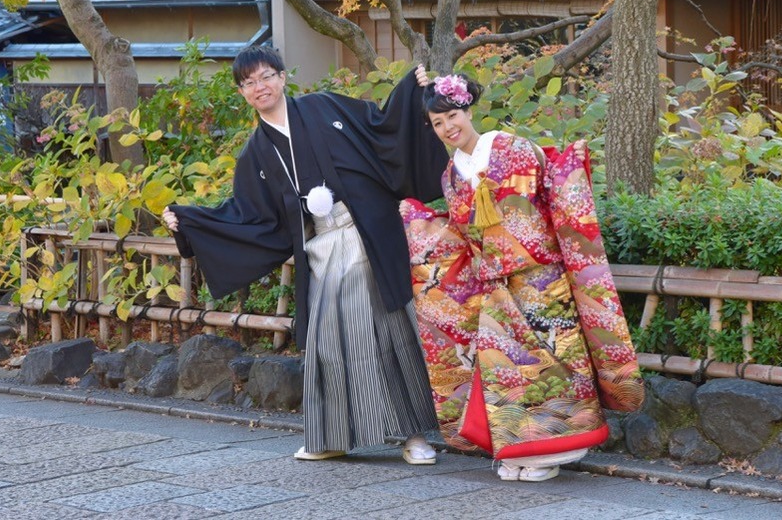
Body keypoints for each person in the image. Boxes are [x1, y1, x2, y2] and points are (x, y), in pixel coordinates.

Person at [162, 45, 449, 465]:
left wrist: (412, 90)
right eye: (249, 83)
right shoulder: (256, 151)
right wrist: (190, 222)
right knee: (326, 346)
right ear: (241, 93)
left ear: (282, 77)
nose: (259, 87)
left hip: (366, 233)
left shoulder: (323, 106)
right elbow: (246, 214)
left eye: (266, 77)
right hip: (321, 248)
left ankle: (413, 435)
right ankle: (332, 435)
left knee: (389, 335)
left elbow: (381, 127)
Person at [401, 73, 644, 482]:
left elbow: (551, 197)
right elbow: (460, 235)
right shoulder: (450, 175)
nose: (448, 128)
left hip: (540, 276)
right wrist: (419, 224)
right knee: (508, 370)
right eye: (438, 123)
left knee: (555, 363)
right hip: (494, 286)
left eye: (453, 116)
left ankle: (557, 449)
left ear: (468, 109)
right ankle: (519, 449)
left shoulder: (512, 147)